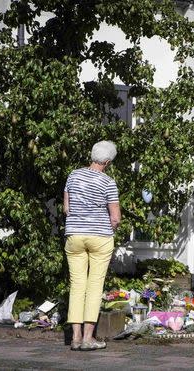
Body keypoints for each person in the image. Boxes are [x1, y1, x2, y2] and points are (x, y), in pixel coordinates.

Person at [63, 140, 121, 351]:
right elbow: (115, 218)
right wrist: (109, 229)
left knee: (77, 285)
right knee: (94, 286)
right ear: (106, 162)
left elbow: (66, 208)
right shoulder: (108, 182)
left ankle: (75, 338)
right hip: (99, 237)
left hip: (75, 236)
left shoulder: (73, 175)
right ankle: (89, 338)